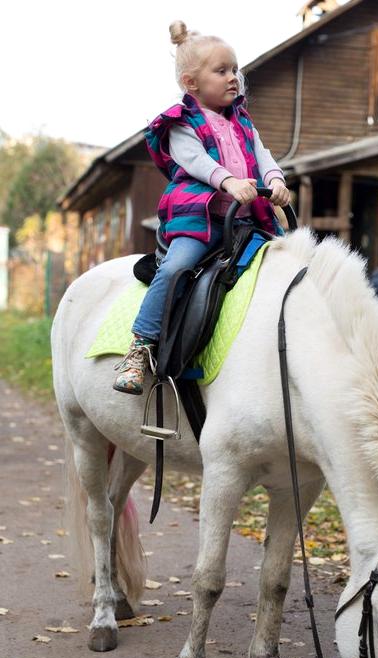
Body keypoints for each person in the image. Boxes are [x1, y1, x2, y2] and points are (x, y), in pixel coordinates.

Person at [113, 21, 290, 394]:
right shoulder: (181, 123)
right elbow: (196, 162)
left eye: (235, 70)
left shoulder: (242, 121)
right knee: (177, 267)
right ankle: (140, 346)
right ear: (191, 83)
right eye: (222, 71)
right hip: (200, 220)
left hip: (246, 220)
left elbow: (263, 155)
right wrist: (229, 181)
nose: (233, 78)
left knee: (289, 259)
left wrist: (274, 180)